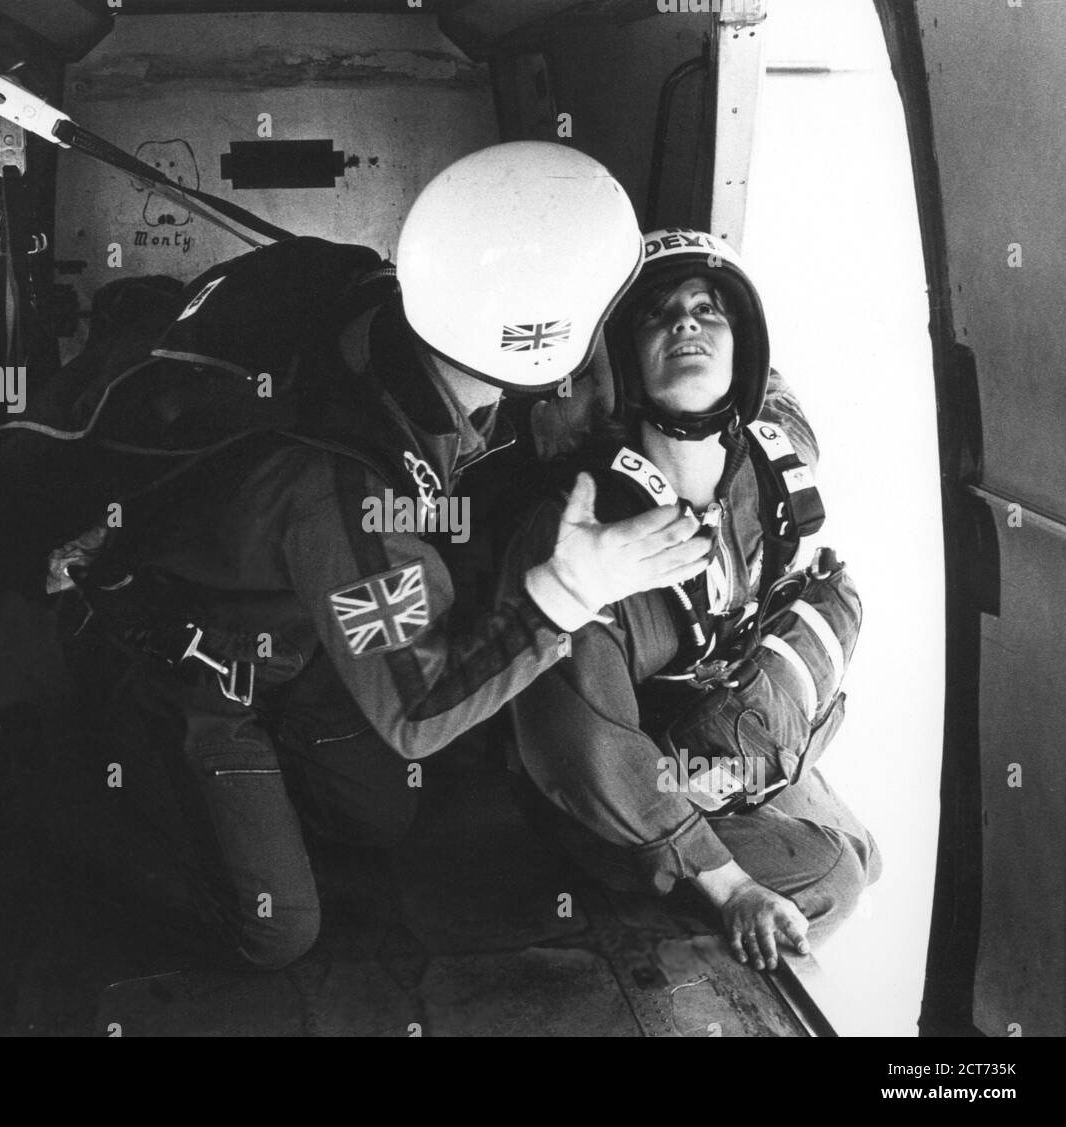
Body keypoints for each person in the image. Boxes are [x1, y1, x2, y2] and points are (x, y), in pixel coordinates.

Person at [45, 143, 717, 970]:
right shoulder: (350, 496)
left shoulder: (377, 302)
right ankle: (39, 784)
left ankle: (253, 795)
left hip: (293, 636)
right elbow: (420, 712)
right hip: (188, 672)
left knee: (380, 818)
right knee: (277, 927)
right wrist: (567, 592)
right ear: (547, 347)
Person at [498, 228, 882, 972]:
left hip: (718, 743)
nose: (686, 323)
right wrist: (730, 883)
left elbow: (769, 381)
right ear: (623, 360)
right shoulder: (581, 531)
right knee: (829, 877)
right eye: (657, 315)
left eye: (710, 310)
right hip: (611, 788)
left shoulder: (776, 459)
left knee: (866, 855)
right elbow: (582, 750)